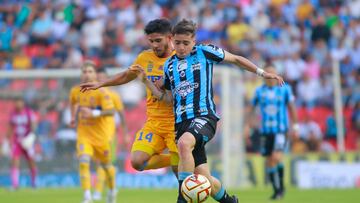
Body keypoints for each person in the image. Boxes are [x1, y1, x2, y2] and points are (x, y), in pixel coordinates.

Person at [130, 19, 284, 203]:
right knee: (204, 180)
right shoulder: (169, 65)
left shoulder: (205, 52)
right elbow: (168, 98)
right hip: (182, 123)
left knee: (184, 144)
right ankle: (230, 201)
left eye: (185, 43)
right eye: (177, 43)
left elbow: (235, 59)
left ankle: (182, 197)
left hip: (204, 117)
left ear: (193, 41)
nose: (181, 47)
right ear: (173, 41)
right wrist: (146, 82)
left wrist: (262, 73)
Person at [79, 19, 179, 176]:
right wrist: (101, 83)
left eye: (158, 41)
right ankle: (178, 159)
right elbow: (127, 75)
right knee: (137, 162)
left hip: (177, 122)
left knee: (180, 174)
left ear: (170, 38)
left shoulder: (180, 59)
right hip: (154, 122)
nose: (154, 45)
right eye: (151, 41)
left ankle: (180, 161)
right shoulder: (144, 58)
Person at [247, 64, 298, 199]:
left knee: (276, 157)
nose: (270, 77)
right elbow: (251, 109)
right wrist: (247, 125)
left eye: (273, 73)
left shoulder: (285, 89)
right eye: (268, 73)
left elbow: (292, 107)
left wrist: (296, 126)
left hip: (281, 130)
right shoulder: (258, 91)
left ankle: (279, 190)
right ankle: (278, 190)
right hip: (265, 131)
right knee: (270, 161)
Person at [69, 61, 117, 203]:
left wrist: (93, 113)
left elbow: (111, 111)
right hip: (84, 134)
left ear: (95, 74)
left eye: (90, 71)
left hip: (101, 136)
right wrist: (73, 117)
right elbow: (72, 102)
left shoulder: (102, 91)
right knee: (83, 161)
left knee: (106, 166)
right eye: (84, 72)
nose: (87, 74)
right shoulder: (75, 91)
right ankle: (87, 196)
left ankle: (112, 190)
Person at [93, 68, 129, 201]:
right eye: (98, 78)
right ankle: (111, 189)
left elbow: (122, 115)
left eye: (102, 77)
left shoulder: (113, 95)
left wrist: (125, 134)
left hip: (109, 135)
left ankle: (98, 190)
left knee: (106, 163)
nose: (100, 80)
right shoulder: (93, 95)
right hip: (94, 135)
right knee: (101, 164)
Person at [6, 98, 37, 189]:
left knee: (31, 161)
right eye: (16, 102)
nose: (18, 104)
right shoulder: (13, 114)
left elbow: (34, 124)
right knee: (14, 160)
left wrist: (31, 135)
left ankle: (34, 183)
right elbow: (11, 127)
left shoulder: (28, 112)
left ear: (23, 103)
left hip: (27, 140)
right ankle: (15, 185)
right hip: (17, 140)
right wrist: (7, 140)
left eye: (19, 102)